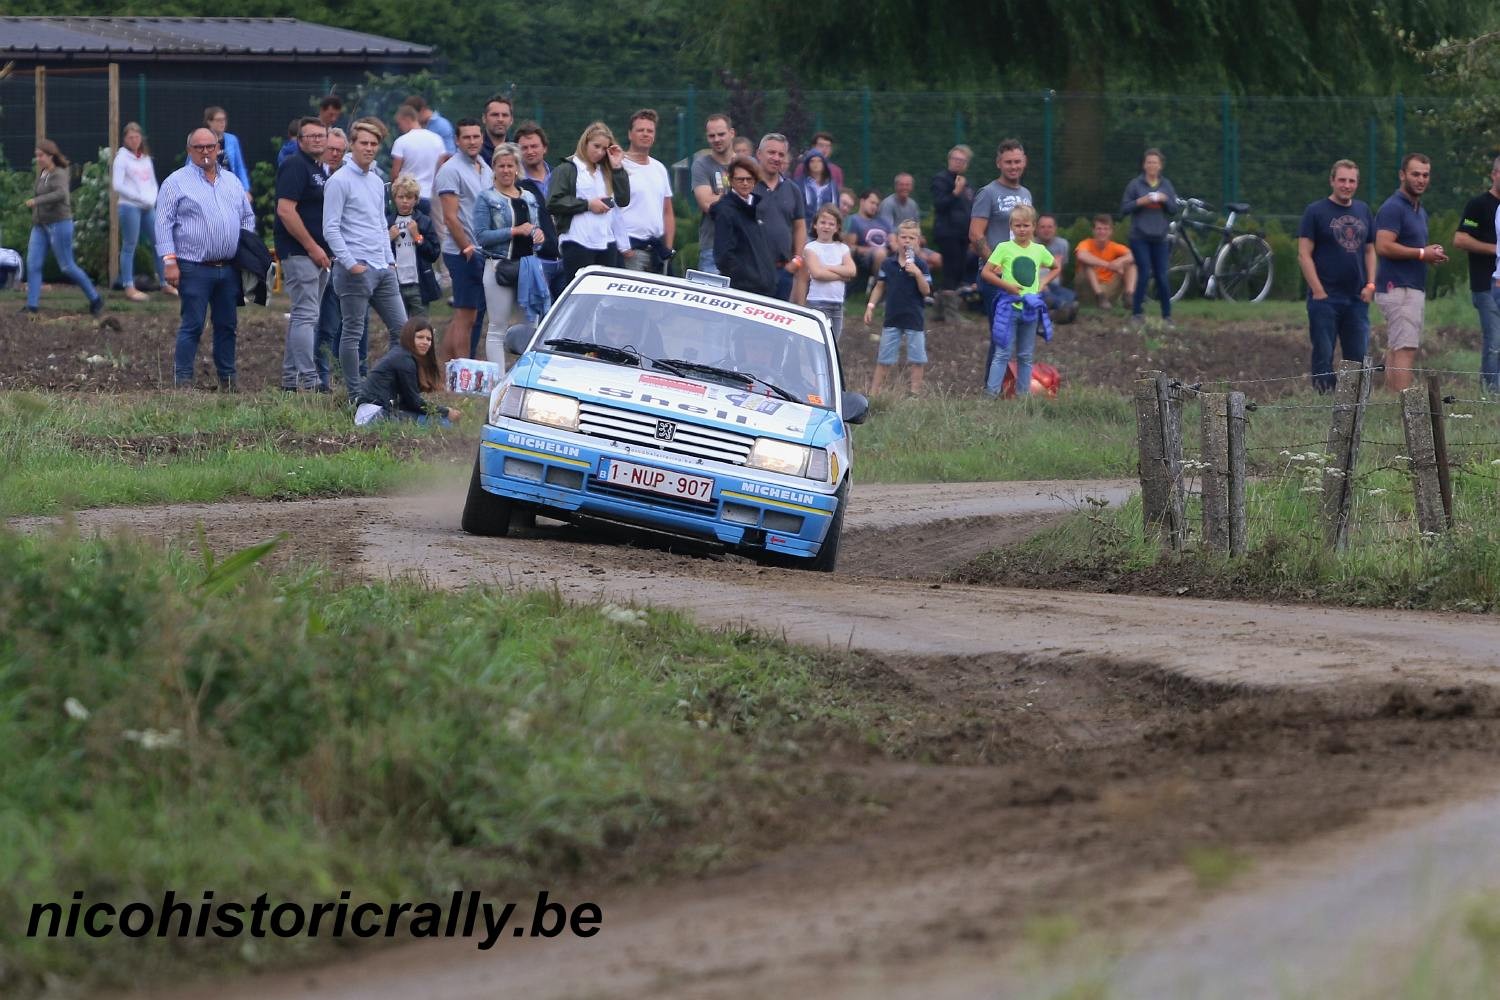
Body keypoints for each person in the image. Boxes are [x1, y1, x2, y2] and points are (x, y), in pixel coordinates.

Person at [155, 127, 255, 388]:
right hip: (193, 266)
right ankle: (183, 380)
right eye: (199, 147)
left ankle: (228, 379)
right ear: (190, 151)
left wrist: (245, 245)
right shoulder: (175, 182)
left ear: (218, 148)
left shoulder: (232, 181)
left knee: (227, 325)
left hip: (229, 267)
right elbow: (163, 224)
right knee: (193, 325)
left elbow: (247, 215)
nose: (205, 152)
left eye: (210, 146)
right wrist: (169, 261)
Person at [324, 117, 409, 402]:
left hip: (382, 267)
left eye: (374, 144)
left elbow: (377, 222)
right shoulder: (338, 181)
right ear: (352, 144)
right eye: (364, 143)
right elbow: (330, 228)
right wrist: (350, 263)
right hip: (355, 269)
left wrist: (389, 260)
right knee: (353, 332)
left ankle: (389, 389)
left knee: (403, 331)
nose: (369, 148)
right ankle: (355, 394)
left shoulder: (375, 181)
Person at [1297, 159, 1377, 394]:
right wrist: (1319, 291)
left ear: (1357, 184)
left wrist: (1371, 284)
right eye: (1342, 180)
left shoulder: (1363, 210)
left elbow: (1371, 249)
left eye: (1352, 181)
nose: (1347, 185)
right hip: (1325, 300)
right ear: (1332, 180)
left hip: (1357, 299)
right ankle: (1324, 400)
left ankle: (1353, 404)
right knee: (1323, 354)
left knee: (1357, 359)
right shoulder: (1315, 212)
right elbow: (1304, 254)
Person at [1375, 153, 1448, 393]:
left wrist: (1429, 255)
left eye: (1425, 175)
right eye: (1415, 174)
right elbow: (1383, 245)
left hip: (1410, 285)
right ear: (1402, 175)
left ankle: (1391, 403)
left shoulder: (1419, 210)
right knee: (1405, 348)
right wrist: (1420, 253)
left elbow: (1415, 250)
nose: (1421, 179)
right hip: (1399, 287)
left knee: (1398, 347)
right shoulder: (1393, 207)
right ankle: (1405, 409)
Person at [275, 117, 333, 392]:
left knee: (303, 315)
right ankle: (309, 381)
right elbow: (286, 210)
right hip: (301, 253)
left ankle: (290, 381)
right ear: (299, 140)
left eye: (321, 135)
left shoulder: (319, 169)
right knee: (306, 316)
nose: (317, 140)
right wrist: (312, 247)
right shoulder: (295, 165)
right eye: (310, 136)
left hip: (317, 254)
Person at [473, 143, 544, 367]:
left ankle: (525, 375)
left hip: (528, 267)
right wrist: (514, 231)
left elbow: (536, 234)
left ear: (517, 168)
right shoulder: (486, 198)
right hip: (498, 266)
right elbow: (482, 236)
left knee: (531, 325)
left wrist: (538, 236)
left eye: (510, 165)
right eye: (501, 165)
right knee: (497, 326)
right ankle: (498, 379)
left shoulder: (530, 197)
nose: (505, 170)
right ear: (494, 168)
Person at [22, 139, 104, 317]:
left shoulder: (59, 173)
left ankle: (95, 298)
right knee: (33, 264)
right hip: (40, 226)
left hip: (59, 224)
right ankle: (32, 305)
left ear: (51, 155)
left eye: (41, 155)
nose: (38, 159)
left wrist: (37, 201)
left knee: (67, 266)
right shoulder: (43, 173)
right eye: (37, 156)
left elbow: (61, 194)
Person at [981, 204, 1055, 399]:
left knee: (1025, 355)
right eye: (1018, 225)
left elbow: (1055, 266)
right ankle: (991, 394)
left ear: (1034, 227)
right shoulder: (1004, 248)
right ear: (1011, 227)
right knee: (1002, 353)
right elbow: (986, 272)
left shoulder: (1039, 250)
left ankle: (1023, 397)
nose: (1022, 229)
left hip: (1030, 310)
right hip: (1009, 308)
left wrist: (1043, 283)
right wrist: (1007, 286)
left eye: (1026, 225)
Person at [434, 118, 493, 362]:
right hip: (462, 252)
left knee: (468, 314)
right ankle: (462, 373)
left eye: (476, 136)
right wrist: (467, 247)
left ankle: (446, 370)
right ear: (457, 140)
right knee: (465, 315)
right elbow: (450, 216)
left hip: (482, 250)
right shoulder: (451, 170)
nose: (472, 141)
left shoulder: (485, 167)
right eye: (466, 137)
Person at [548, 122, 631, 287]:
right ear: (585, 142)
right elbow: (553, 202)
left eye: (604, 148)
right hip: (577, 240)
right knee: (580, 292)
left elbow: (623, 200)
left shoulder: (606, 170)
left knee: (604, 296)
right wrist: (587, 205)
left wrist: (617, 167)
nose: (600, 152)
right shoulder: (568, 168)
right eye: (596, 146)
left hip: (606, 241)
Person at [864, 219, 931, 396]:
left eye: (911, 237)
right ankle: (874, 393)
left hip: (914, 319)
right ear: (897, 239)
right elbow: (880, 286)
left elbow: (926, 291)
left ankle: (914, 393)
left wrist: (917, 273)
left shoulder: (922, 265)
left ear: (918, 241)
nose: (907, 241)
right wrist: (871, 306)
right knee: (884, 358)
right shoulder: (888, 264)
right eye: (903, 237)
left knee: (917, 359)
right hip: (892, 318)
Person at [353, 318, 460, 427]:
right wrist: (446, 411)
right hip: (374, 416)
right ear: (409, 337)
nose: (425, 342)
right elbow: (413, 403)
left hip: (369, 414)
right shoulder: (405, 360)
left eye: (428, 339)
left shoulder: (402, 354)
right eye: (420, 337)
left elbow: (406, 403)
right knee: (445, 423)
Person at [970, 139, 1034, 322]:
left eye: (1017, 161)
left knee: (1022, 331)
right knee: (1001, 335)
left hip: (1022, 273)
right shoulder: (988, 193)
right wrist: (995, 266)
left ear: (1024, 162)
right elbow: (975, 234)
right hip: (997, 277)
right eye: (1008, 162)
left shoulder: (1026, 194)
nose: (1013, 166)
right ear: (999, 163)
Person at [1454, 155, 1500, 392]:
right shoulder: (1479, 205)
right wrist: (1496, 249)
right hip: (1485, 286)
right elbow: (1460, 239)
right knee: (1493, 341)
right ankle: (1490, 391)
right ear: (1494, 174)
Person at [1120, 148, 1180, 326]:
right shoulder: (1135, 185)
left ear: (1160, 166)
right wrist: (1141, 201)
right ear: (1144, 165)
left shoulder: (1166, 185)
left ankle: (1167, 316)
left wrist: (1164, 199)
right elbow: (1124, 208)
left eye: (1155, 162)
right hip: (1139, 237)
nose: (1152, 165)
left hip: (1160, 237)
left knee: (1162, 276)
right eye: (1149, 162)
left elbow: (1173, 209)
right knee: (1144, 273)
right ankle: (1137, 314)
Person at [112, 122, 165, 301]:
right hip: (129, 207)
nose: (134, 140)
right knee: (130, 245)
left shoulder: (146, 158)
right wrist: (139, 198)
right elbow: (117, 185)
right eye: (130, 137)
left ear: (141, 138)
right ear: (125, 139)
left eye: (136, 136)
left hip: (148, 207)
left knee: (159, 243)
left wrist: (152, 199)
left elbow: (152, 182)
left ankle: (165, 282)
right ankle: (128, 286)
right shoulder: (121, 158)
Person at [618, 109, 675, 274]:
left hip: (656, 251)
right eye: (640, 130)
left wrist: (668, 248)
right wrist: (621, 246)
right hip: (629, 249)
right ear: (630, 134)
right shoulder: (618, 166)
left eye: (650, 131)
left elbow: (667, 211)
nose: (645, 134)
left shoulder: (659, 168)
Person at [711, 156, 776, 295]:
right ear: (731, 181)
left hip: (765, 287)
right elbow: (723, 256)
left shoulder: (755, 206)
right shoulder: (725, 211)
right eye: (740, 179)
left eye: (749, 179)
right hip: (742, 290)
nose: (745, 183)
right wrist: (748, 278)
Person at [753, 133, 806, 301]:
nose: (776, 158)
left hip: (783, 272)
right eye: (771, 152)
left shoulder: (793, 190)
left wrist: (796, 262)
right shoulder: (747, 186)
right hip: (752, 271)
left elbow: (799, 227)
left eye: (781, 154)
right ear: (759, 154)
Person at [316, 128, 350, 392]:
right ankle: (319, 376)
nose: (336, 153)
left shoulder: (347, 178)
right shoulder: (314, 177)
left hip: (342, 258)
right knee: (318, 322)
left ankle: (335, 374)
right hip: (317, 255)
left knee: (335, 322)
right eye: (332, 148)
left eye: (341, 150)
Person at [513, 121, 561, 291]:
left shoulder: (560, 177)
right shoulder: (515, 186)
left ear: (544, 148)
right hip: (536, 261)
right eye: (524, 148)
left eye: (534, 146)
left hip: (565, 258)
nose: (530, 151)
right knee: (539, 315)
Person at [799, 204, 856, 343]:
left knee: (833, 343)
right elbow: (817, 274)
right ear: (815, 225)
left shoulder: (842, 248)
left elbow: (852, 271)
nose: (826, 226)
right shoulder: (811, 248)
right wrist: (842, 275)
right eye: (823, 222)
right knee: (817, 342)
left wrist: (827, 267)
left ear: (837, 228)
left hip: (837, 304)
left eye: (831, 224)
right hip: (818, 302)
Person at [388, 174, 441, 321]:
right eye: (401, 197)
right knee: (399, 327)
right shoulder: (388, 222)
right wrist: (388, 238)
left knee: (420, 326)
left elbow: (434, 253)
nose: (405, 201)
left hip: (419, 284)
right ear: (395, 198)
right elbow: (377, 252)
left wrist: (418, 236)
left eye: (409, 197)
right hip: (395, 284)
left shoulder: (424, 222)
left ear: (416, 200)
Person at [690, 113, 736, 273]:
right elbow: (707, 204)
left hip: (745, 247)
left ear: (732, 133)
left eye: (721, 134)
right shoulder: (701, 165)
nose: (717, 139)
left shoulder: (747, 164)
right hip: (712, 247)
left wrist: (723, 199)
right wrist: (739, 200)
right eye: (712, 136)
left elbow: (756, 203)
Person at [390, 103, 447, 214]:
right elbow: (441, 170)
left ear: (406, 119)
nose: (399, 127)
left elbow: (395, 174)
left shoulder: (401, 141)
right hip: (430, 196)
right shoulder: (437, 140)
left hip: (407, 198)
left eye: (399, 123)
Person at [931, 145, 974, 292]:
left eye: (962, 160)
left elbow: (970, 206)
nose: (958, 163)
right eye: (955, 159)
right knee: (950, 269)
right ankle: (946, 305)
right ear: (949, 160)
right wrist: (955, 192)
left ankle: (950, 303)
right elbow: (939, 204)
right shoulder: (941, 179)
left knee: (960, 270)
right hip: (947, 232)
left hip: (963, 233)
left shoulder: (966, 183)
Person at [1075, 214, 1135, 309]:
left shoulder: (1114, 246)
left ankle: (1129, 296)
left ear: (1111, 231)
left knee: (1130, 264)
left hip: (1108, 286)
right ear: (1093, 231)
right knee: (1087, 263)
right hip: (1088, 288)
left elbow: (1133, 255)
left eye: (1106, 229)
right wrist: (1108, 265)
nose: (1102, 232)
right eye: (1099, 229)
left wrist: (1119, 261)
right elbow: (1082, 255)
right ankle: (1100, 296)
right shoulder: (1086, 243)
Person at [1036, 214, 1078, 323]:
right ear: (1036, 228)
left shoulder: (1063, 245)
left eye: (1050, 227)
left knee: (1071, 296)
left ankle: (1054, 313)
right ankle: (1061, 309)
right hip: (1036, 286)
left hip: (1053, 285)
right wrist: (1042, 285)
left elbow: (1061, 270)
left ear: (1055, 228)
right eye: (1043, 227)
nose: (1046, 230)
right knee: (1046, 297)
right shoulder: (1030, 245)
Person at [845, 189, 890, 285]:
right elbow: (850, 247)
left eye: (877, 205)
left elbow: (893, 240)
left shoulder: (883, 222)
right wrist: (871, 250)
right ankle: (879, 289)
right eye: (872, 203)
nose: (875, 207)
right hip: (866, 258)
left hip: (888, 253)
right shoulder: (854, 220)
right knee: (880, 253)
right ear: (862, 201)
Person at [202, 106, 251, 191]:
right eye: (218, 120)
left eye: (224, 120)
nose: (222, 123)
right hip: (208, 187)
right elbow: (191, 166)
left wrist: (246, 189)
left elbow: (239, 166)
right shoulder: (201, 139)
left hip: (229, 186)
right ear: (209, 122)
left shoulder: (232, 140)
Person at [800, 151, 837, 222]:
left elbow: (835, 207)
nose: (815, 164)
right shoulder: (799, 184)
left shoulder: (832, 185)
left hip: (826, 226)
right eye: (812, 161)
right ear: (807, 164)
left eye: (819, 161)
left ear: (824, 164)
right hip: (806, 226)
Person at [479, 95, 514, 167]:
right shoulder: (476, 151)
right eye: (495, 115)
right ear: (484, 118)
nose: (500, 119)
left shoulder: (517, 151)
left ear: (511, 120)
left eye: (505, 115)